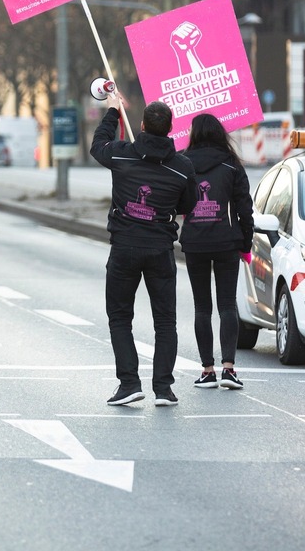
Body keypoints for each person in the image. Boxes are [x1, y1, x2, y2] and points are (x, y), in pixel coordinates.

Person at [89, 91, 197, 407]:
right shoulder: (182, 167)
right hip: (161, 249)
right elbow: (188, 205)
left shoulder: (122, 156)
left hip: (123, 246)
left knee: (120, 317)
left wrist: (112, 111)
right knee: (165, 321)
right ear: (170, 129)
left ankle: (129, 384)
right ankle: (163, 388)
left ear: (142, 126)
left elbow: (98, 145)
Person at [179, 113, 254, 391]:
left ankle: (207, 370)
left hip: (195, 242)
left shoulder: (183, 163)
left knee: (202, 307)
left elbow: (176, 203)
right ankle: (229, 370)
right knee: (227, 305)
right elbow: (244, 208)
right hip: (226, 242)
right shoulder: (232, 164)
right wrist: (245, 243)